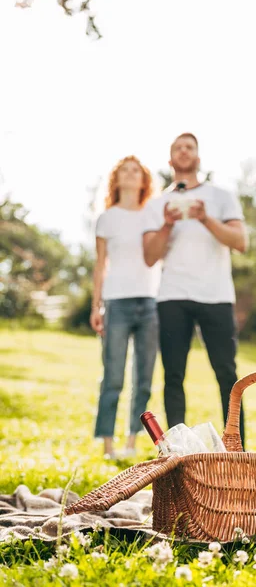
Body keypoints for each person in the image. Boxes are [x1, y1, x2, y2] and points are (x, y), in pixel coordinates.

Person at [142, 133, 247, 445]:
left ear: (198, 158)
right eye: (178, 148)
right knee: (173, 376)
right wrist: (167, 224)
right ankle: (178, 454)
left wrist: (204, 217)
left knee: (228, 375)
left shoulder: (221, 196)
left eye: (190, 147)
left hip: (216, 296)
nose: (184, 151)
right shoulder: (158, 204)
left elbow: (240, 242)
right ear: (170, 160)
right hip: (173, 296)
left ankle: (237, 448)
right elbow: (149, 257)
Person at [90, 155, 160, 459]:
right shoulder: (107, 218)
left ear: (144, 180)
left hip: (149, 302)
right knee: (113, 376)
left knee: (143, 378)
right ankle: (108, 445)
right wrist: (97, 306)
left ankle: (132, 443)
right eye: (124, 170)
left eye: (136, 171)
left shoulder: (151, 215)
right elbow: (99, 265)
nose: (130, 175)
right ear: (115, 179)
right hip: (116, 302)